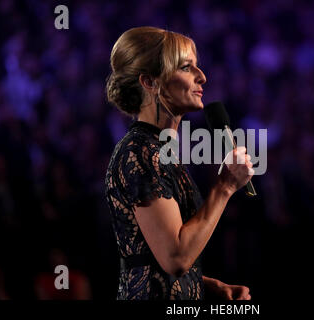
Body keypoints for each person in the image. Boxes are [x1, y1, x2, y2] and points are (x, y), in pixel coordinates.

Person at [105, 26, 254, 300]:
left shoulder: (159, 149)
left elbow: (152, 256)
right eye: (187, 68)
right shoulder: (139, 152)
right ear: (150, 82)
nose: (202, 76)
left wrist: (207, 285)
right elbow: (175, 258)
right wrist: (225, 186)